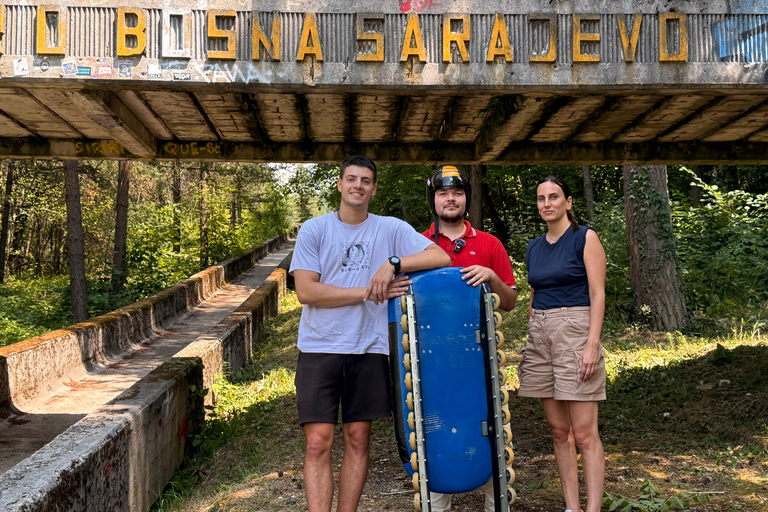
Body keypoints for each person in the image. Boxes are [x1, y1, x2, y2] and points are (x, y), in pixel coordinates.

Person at [290, 155, 451, 512]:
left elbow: (441, 257)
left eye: (365, 181)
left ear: (374, 189)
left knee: (359, 439)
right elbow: (306, 292)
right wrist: (367, 290)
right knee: (318, 442)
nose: (357, 186)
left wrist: (394, 263)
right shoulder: (315, 230)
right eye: (351, 179)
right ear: (339, 184)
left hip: (370, 347)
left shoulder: (390, 229)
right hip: (319, 347)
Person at [422, 165, 517, 512]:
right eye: (444, 193)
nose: (451, 199)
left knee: (489, 434)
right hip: (431, 364)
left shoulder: (490, 244)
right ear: (434, 200)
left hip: (482, 362)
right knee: (433, 434)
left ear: (466, 199)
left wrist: (492, 277)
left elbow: (509, 302)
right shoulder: (417, 244)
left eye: (458, 193)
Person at [518, 176, 607, 512]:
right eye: (541, 198)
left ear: (568, 202)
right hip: (540, 334)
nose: (547, 204)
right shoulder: (533, 246)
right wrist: (532, 332)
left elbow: (598, 293)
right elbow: (536, 291)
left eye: (554, 197)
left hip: (575, 330)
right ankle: (572, 507)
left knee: (584, 434)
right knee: (559, 431)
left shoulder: (585, 238)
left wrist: (591, 345)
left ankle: (593, 508)